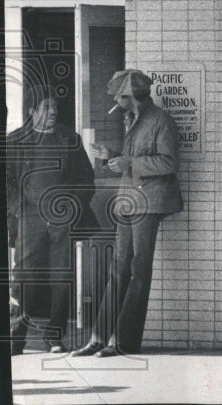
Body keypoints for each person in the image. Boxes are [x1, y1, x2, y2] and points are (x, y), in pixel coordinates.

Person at [72, 69, 183, 358]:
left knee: (138, 270)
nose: (115, 100)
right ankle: (100, 337)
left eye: (119, 96)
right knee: (119, 267)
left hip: (148, 202)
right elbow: (135, 159)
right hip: (130, 201)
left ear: (130, 96)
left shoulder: (161, 120)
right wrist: (112, 155)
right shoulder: (132, 118)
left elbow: (169, 162)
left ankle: (124, 341)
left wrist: (128, 162)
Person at [8, 87, 98, 355]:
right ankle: (16, 337)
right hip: (29, 217)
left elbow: (86, 181)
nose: (52, 113)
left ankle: (54, 337)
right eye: (46, 108)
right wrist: (18, 210)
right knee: (24, 275)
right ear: (31, 111)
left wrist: (69, 205)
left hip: (62, 218)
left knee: (61, 275)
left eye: (55, 109)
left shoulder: (69, 139)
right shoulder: (15, 141)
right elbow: (7, 183)